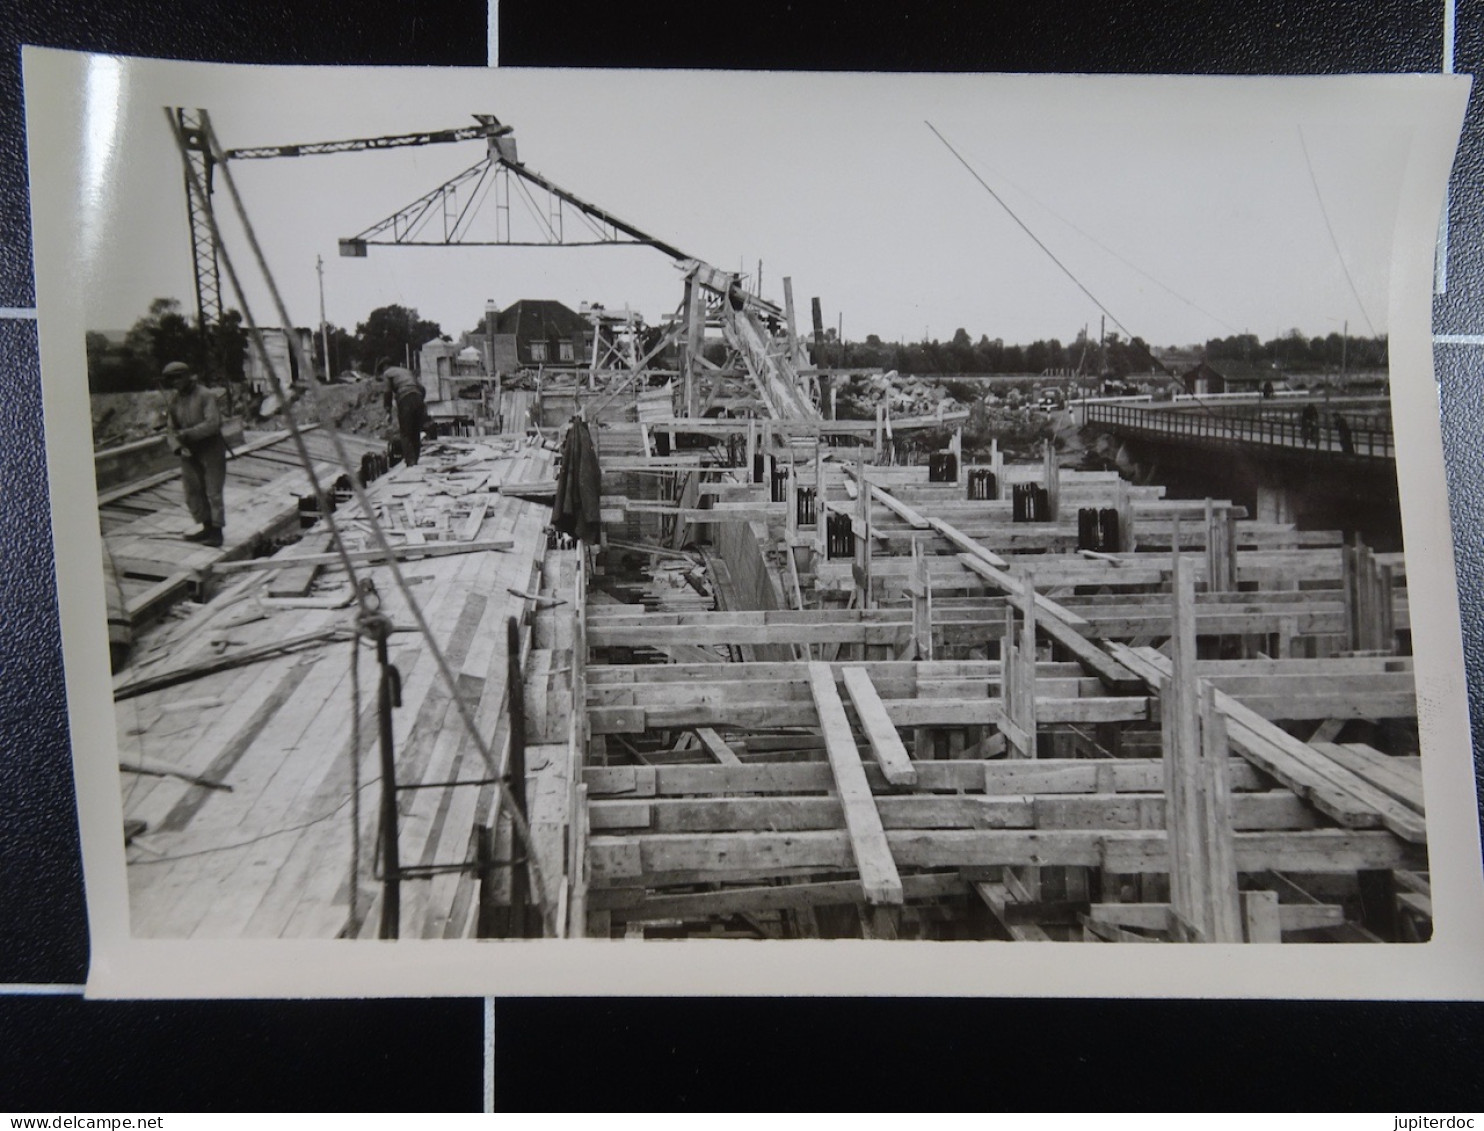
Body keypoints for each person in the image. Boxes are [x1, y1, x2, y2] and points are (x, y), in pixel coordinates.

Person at [161, 361, 227, 548]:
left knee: (213, 491)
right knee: (193, 491)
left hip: (210, 448)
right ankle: (206, 527)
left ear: (187, 376)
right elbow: (170, 429)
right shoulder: (175, 400)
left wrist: (187, 434)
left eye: (178, 378)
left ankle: (217, 532)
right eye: (171, 380)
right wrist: (177, 446)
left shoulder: (205, 395)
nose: (175, 383)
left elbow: (213, 423)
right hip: (189, 451)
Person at [381, 360, 429, 467]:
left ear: (384, 367)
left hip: (405, 399)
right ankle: (415, 459)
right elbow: (422, 388)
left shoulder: (387, 373)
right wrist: (420, 401)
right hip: (418, 398)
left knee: (405, 432)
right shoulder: (406, 371)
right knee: (415, 431)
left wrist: (388, 411)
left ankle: (410, 462)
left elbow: (387, 392)